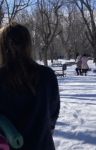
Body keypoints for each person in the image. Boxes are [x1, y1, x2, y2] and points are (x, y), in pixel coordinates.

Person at [0, 21, 60, 150]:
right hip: (43, 144)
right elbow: (53, 112)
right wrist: (49, 127)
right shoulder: (47, 75)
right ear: (28, 45)